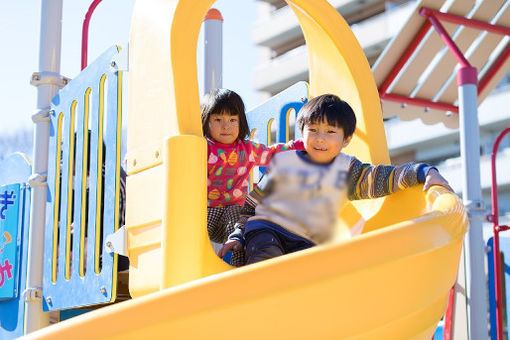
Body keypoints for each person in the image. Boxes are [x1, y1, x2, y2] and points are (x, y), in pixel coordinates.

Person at [219, 94, 452, 265]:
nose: (320, 139)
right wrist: (238, 234)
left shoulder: (346, 169)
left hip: (308, 242)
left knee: (309, 274)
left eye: (331, 132)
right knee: (266, 259)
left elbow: (381, 178)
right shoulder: (284, 162)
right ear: (302, 133)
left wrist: (422, 171)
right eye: (313, 130)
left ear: (346, 139)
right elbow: (252, 204)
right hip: (268, 228)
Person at [202, 88, 304, 266]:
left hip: (233, 210)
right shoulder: (203, 148)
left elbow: (272, 153)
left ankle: (238, 264)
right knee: (192, 226)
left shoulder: (247, 149)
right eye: (218, 119)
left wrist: (298, 145)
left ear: (240, 122)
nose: (226, 126)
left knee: (242, 226)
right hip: (207, 209)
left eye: (232, 120)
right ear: (206, 121)